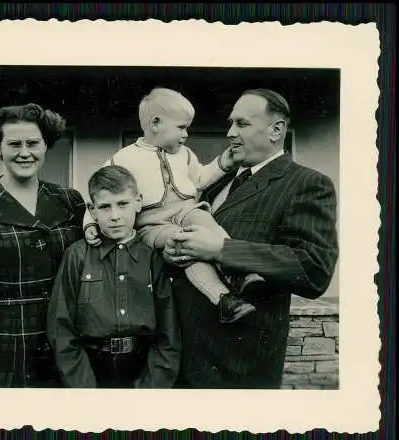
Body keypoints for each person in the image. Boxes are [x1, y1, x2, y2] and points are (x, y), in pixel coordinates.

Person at [163, 88, 339, 389]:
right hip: (181, 361)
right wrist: (175, 249)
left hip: (237, 368)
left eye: (242, 124)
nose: (230, 132)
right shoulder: (217, 184)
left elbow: (315, 268)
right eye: (231, 123)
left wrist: (222, 249)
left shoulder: (307, 183)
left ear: (276, 130)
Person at [83, 87, 266, 322]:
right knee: (184, 246)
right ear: (156, 123)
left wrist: (224, 162)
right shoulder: (125, 158)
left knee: (205, 223)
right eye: (181, 127)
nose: (186, 134)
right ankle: (223, 299)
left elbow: (200, 178)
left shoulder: (185, 154)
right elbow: (98, 191)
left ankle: (238, 271)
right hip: (152, 223)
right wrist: (90, 223)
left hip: (185, 208)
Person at [0, 103, 86, 388]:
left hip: (59, 346)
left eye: (33, 143)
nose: (24, 152)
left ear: (46, 145)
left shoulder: (69, 200)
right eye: (14, 144)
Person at [47, 165, 181, 388]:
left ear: (138, 201)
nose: (115, 216)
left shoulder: (152, 258)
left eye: (122, 204)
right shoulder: (78, 255)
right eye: (105, 207)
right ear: (92, 209)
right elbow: (61, 329)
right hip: (90, 370)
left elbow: (169, 334)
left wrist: (150, 389)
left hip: (143, 369)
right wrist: (85, 390)